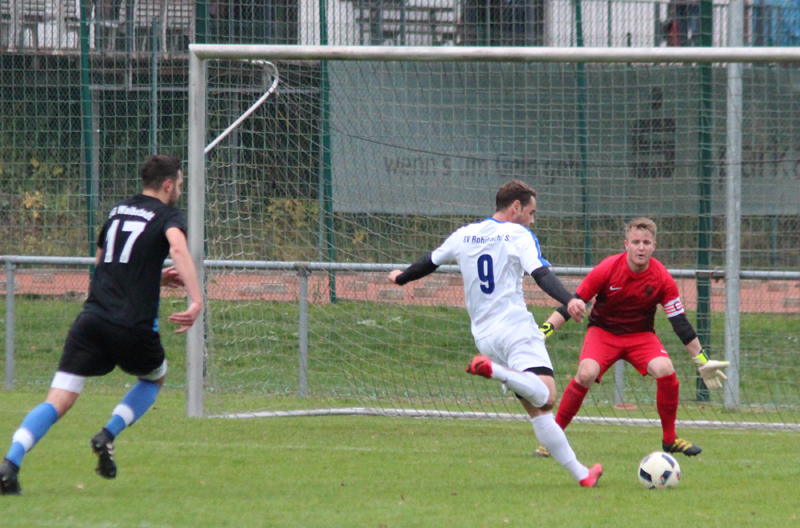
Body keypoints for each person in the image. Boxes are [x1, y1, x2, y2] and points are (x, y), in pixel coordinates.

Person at [0, 155, 203, 495]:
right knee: (155, 376)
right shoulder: (168, 215)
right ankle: (107, 434)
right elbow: (179, 249)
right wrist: (196, 300)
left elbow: (104, 265)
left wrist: (153, 277)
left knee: (58, 399)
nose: (180, 189)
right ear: (168, 185)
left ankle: (10, 463)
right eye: (180, 184)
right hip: (132, 324)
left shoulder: (117, 210)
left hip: (92, 318)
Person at [388, 180, 603, 488]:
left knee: (538, 411)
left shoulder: (465, 234)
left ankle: (583, 475)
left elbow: (429, 262)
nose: (532, 219)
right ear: (516, 207)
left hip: (484, 336)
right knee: (548, 395)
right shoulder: (519, 234)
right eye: (531, 212)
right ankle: (497, 372)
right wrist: (568, 298)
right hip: (515, 328)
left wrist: (401, 278)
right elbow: (540, 273)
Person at [533, 217, 729, 459]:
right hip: (603, 333)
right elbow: (572, 303)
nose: (641, 247)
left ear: (654, 246)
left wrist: (702, 359)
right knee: (586, 373)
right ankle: (554, 439)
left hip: (640, 336)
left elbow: (680, 323)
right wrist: (542, 333)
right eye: (636, 242)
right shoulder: (607, 268)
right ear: (626, 244)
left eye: (646, 242)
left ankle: (670, 440)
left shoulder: (662, 278)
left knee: (666, 369)